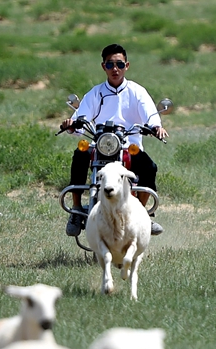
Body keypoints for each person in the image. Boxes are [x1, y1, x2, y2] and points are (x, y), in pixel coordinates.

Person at [61, 43, 168, 237]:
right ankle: (76, 211)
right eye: (110, 65)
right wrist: (71, 124)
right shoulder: (95, 93)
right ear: (104, 67)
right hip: (100, 143)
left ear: (127, 65)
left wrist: (156, 126)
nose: (115, 69)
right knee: (80, 154)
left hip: (128, 145)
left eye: (119, 64)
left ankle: (144, 214)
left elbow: (151, 115)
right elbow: (81, 117)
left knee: (149, 167)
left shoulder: (137, 92)